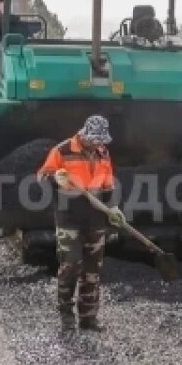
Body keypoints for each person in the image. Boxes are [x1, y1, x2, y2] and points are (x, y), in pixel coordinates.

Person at [37, 115, 126, 332]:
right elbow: (41, 175)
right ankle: (66, 316)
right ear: (84, 134)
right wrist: (55, 178)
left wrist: (113, 207)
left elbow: (108, 183)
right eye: (95, 140)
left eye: (101, 140)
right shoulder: (63, 150)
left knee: (92, 270)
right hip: (69, 217)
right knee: (71, 264)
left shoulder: (103, 152)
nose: (98, 144)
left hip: (96, 218)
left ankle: (88, 318)